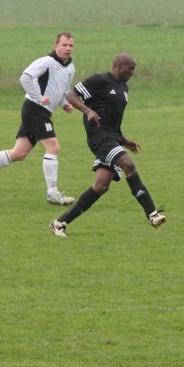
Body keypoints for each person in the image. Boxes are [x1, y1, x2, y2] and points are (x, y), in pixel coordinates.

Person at [49, 53, 166, 238]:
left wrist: (124, 139)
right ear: (119, 66)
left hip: (112, 137)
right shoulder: (99, 80)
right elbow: (71, 96)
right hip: (98, 137)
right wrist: (88, 111)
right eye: (131, 68)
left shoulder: (123, 88)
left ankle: (59, 223)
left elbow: (113, 122)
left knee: (101, 186)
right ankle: (152, 213)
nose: (133, 73)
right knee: (128, 165)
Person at [0, 32, 77, 205]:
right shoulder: (47, 62)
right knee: (53, 147)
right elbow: (25, 77)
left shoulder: (70, 68)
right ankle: (52, 193)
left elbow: (62, 90)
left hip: (41, 111)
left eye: (70, 45)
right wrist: (39, 96)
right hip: (35, 109)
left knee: (19, 153)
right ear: (56, 45)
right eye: (64, 45)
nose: (67, 48)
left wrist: (64, 104)